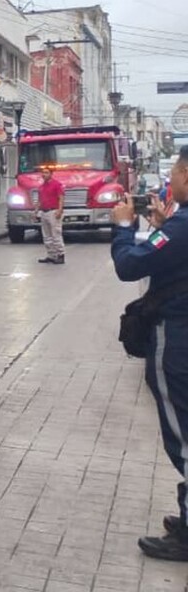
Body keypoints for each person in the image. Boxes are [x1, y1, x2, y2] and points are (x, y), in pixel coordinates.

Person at [112, 144, 188, 561]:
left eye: (175, 172)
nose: (170, 180)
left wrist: (124, 227)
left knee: (182, 434)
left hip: (176, 338)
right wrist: (161, 226)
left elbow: (130, 266)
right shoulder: (177, 226)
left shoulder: (183, 227)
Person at [33, 166, 65, 264]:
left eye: (46, 172)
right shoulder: (41, 187)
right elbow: (40, 200)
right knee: (47, 236)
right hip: (44, 212)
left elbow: (61, 198)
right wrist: (36, 211)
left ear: (51, 174)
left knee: (56, 234)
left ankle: (60, 255)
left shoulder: (56, 185)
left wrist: (60, 210)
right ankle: (51, 255)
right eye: (43, 173)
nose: (44, 174)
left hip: (53, 211)